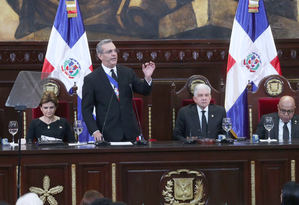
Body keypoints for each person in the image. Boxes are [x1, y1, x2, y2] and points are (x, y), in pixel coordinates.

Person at [82, 39, 155, 142]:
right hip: (107, 134)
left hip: (131, 133)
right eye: (109, 52)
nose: (114, 54)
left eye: (115, 51)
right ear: (100, 56)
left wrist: (147, 78)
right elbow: (86, 109)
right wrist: (95, 131)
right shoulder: (91, 79)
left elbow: (144, 90)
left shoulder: (127, 72)